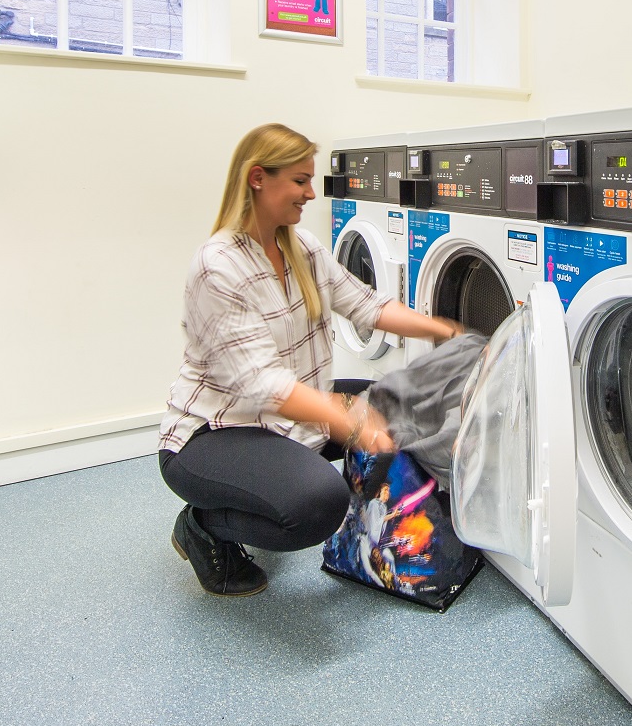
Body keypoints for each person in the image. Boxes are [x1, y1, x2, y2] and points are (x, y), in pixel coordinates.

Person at [158, 123, 463, 596]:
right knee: (317, 504)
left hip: (293, 418)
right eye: (300, 181)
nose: (311, 193)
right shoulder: (217, 267)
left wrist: (445, 330)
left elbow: (368, 306)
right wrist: (350, 420)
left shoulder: (301, 248)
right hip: (215, 433)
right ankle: (202, 526)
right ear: (258, 178)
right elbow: (264, 386)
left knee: (405, 403)